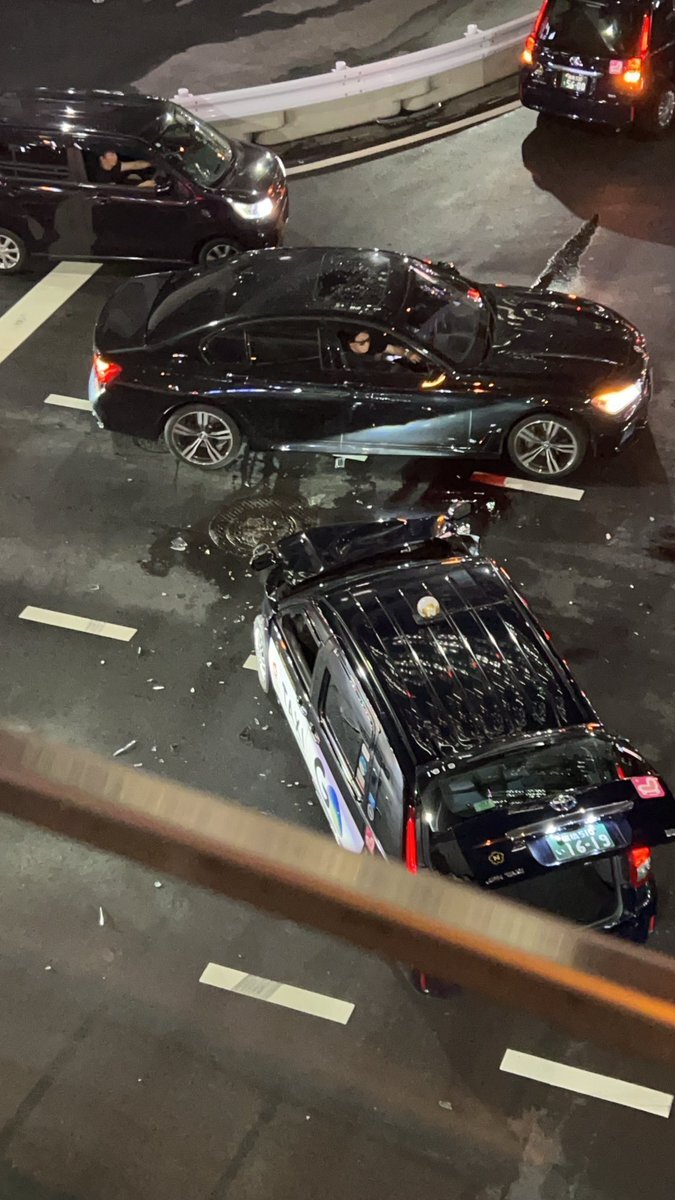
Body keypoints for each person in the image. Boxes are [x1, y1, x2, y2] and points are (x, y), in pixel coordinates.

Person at [344, 329, 422, 365]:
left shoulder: (375, 344)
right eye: (362, 341)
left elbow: (392, 349)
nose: (367, 342)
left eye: (368, 339)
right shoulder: (341, 352)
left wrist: (408, 354)